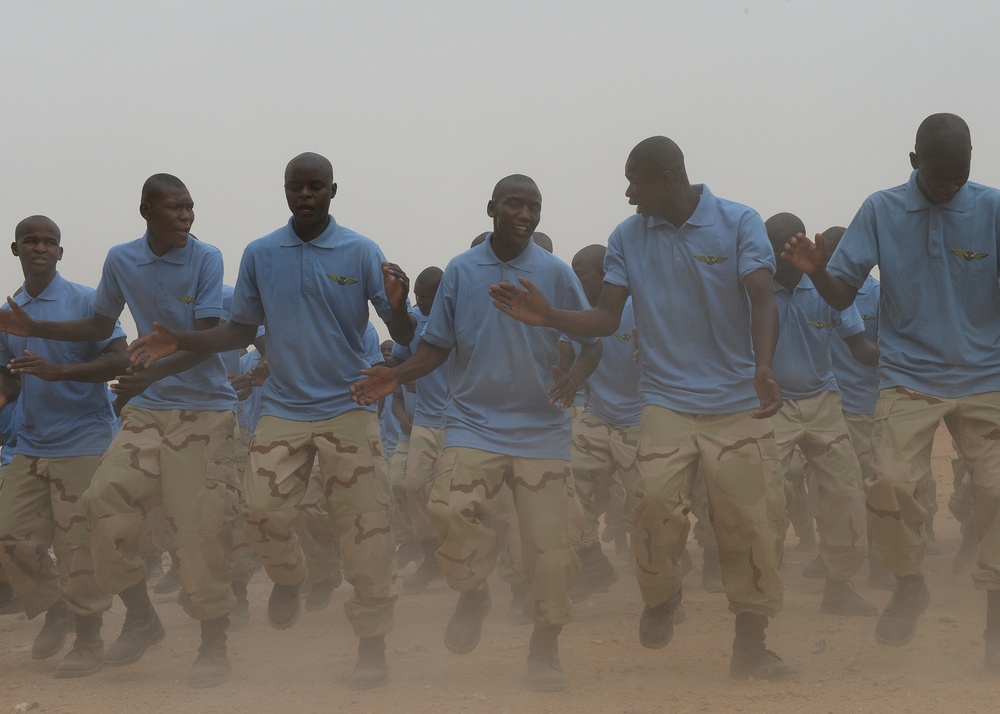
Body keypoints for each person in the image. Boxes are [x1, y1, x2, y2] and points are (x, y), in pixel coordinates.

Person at [487, 137, 798, 681]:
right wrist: (549, 317)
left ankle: (751, 645)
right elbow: (608, 319)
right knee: (652, 502)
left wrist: (764, 364)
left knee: (750, 522)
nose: (628, 194)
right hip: (665, 398)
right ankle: (661, 597)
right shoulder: (627, 237)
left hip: (735, 402)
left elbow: (763, 295)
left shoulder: (738, 221)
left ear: (669, 177)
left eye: (636, 181)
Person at [128, 152, 415, 689]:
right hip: (283, 408)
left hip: (348, 405)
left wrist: (400, 307)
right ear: (284, 191)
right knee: (258, 510)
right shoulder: (260, 253)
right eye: (295, 187)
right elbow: (239, 332)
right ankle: (290, 574)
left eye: (315, 186)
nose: (304, 195)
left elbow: (396, 329)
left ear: (333, 190)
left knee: (367, 532)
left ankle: (371, 646)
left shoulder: (360, 250)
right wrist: (180, 340)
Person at [350, 174, 600, 692]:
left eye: (534, 206)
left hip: (541, 430)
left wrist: (575, 377)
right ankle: (472, 593)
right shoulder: (463, 272)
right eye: (515, 204)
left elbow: (591, 336)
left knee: (554, 552)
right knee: (445, 510)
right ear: (492, 208)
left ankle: (545, 646)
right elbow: (436, 347)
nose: (525, 214)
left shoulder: (553, 272)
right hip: (474, 426)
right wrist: (395, 375)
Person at [0, 178, 242, 688]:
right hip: (149, 409)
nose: (187, 216)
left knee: (195, 529)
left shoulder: (206, 258)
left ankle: (212, 645)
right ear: (146, 211)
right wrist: (34, 329)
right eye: (176, 208)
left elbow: (206, 343)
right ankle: (141, 615)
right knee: (100, 502)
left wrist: (152, 369)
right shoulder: (121, 259)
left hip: (203, 411)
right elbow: (97, 326)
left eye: (190, 208)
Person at [781, 113, 1000, 669]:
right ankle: (908, 585)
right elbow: (839, 295)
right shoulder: (881, 209)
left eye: (960, 174)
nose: (949, 186)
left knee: (998, 493)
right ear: (913, 162)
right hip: (909, 376)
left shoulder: (993, 208)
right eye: (939, 175)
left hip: (985, 376)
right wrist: (814, 270)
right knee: (889, 486)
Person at [0, 216, 128, 678]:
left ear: (60, 252)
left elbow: (119, 358)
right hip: (30, 443)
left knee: (78, 546)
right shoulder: (9, 311)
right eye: (30, 241)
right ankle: (53, 606)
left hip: (82, 440)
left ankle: (88, 640)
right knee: (8, 535)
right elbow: (8, 375)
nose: (40, 248)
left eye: (49, 242)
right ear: (15, 250)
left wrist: (59, 371)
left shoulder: (85, 302)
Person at [764, 212, 879, 616]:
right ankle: (761, 587)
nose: (788, 255)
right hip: (769, 407)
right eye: (780, 249)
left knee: (845, 494)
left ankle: (840, 586)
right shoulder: (753, 291)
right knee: (764, 496)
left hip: (823, 402)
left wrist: (903, 360)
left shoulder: (825, 290)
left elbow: (859, 347)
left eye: (795, 245)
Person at [562, 244, 641, 603]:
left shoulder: (641, 308)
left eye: (582, 272)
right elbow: (566, 355)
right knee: (567, 489)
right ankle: (593, 562)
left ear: (606, 274)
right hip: (597, 416)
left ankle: (664, 589)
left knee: (653, 506)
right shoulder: (578, 315)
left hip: (642, 419)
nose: (576, 278)